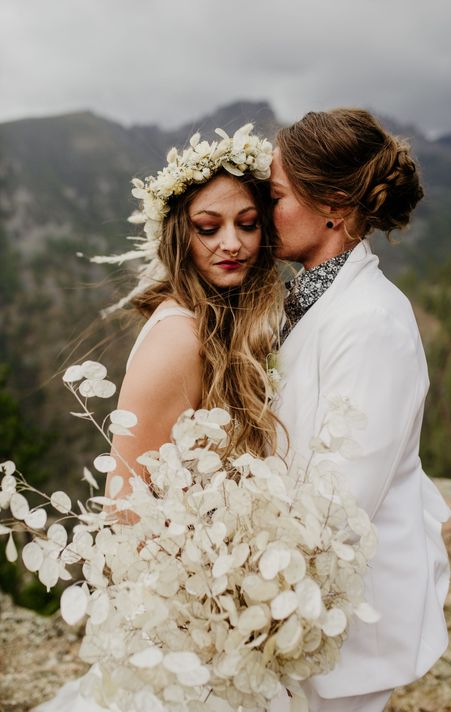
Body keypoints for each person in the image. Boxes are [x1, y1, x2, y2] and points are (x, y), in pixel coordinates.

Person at [34, 124, 285, 712]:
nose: (232, 243)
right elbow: (126, 509)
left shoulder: (226, 327)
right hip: (181, 623)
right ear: (179, 235)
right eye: (208, 227)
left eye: (248, 224)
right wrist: (197, 620)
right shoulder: (181, 337)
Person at [270, 108, 451, 712]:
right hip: (291, 601)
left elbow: (342, 501)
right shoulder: (306, 298)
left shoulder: (373, 322)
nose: (262, 215)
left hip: (342, 625)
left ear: (334, 206)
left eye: (275, 197)